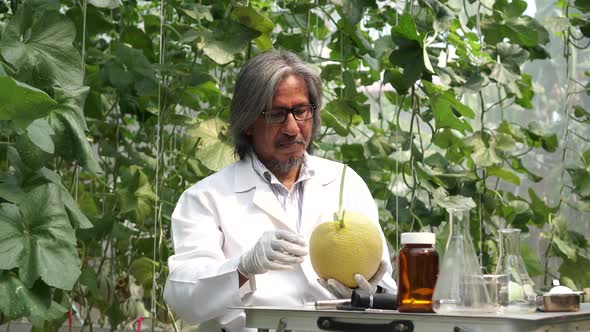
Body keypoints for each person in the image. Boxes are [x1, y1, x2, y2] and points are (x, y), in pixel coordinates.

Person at [163, 50, 397, 332]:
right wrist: (242, 268)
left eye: (300, 111)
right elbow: (185, 299)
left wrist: (369, 293)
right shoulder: (206, 199)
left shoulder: (344, 182)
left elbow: (384, 287)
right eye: (275, 114)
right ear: (248, 121)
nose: (291, 128)